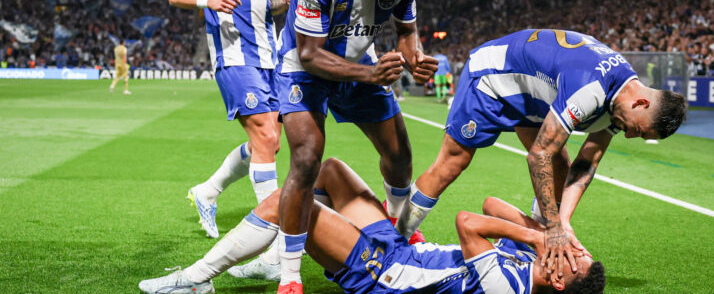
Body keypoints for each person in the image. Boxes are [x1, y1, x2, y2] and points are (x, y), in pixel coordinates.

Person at [395, 29, 687, 278]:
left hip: (532, 93)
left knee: (562, 162)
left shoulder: (621, 98)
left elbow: (588, 161)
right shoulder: (590, 90)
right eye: (640, 129)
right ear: (642, 103)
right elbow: (538, 156)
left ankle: (533, 243)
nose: (632, 135)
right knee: (453, 162)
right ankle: (396, 241)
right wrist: (554, 227)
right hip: (494, 76)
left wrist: (564, 221)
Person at [274, 0, 438, 293]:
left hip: (359, 64)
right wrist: (371, 74)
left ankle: (400, 231)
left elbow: (406, 30)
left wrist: (412, 61)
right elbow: (310, 54)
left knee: (399, 153)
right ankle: (289, 273)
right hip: (304, 69)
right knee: (308, 158)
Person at [138, 158, 605, 294]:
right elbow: (492, 203)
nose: (571, 250)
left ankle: (194, 279)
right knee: (331, 170)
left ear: (560, 281)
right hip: (401, 250)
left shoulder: (511, 288)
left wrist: (540, 237)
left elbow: (468, 222)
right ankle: (279, 258)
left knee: (289, 199)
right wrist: (552, 228)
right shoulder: (535, 262)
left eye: (573, 258)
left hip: (384, 273)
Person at [167, 0, 291, 239]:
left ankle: (207, 192)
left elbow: (270, 4)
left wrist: (284, 0)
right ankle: (271, 237)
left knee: (269, 142)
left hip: (270, 57)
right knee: (267, 140)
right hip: (234, 56)